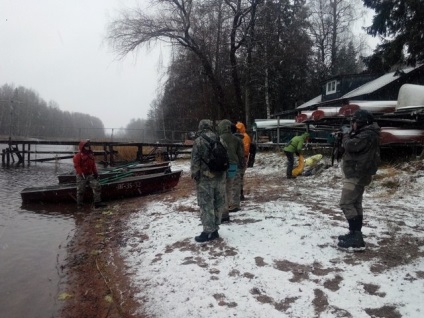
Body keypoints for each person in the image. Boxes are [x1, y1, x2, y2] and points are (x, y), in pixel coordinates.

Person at [337, 109, 380, 251]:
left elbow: (351, 145)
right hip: (359, 173)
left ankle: (356, 238)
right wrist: (348, 134)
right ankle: (355, 233)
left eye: (354, 122)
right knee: (355, 203)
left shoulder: (367, 135)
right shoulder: (367, 133)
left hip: (356, 174)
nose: (352, 125)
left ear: (361, 122)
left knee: (346, 202)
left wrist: (344, 135)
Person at [191, 119, 226, 242]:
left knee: (206, 204)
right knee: (218, 202)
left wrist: (195, 173)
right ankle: (215, 229)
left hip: (205, 177)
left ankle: (207, 231)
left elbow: (195, 159)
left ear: (201, 127)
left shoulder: (199, 141)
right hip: (220, 176)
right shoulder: (219, 138)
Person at [218, 120, 244, 219]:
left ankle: (224, 208)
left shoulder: (219, 138)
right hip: (234, 165)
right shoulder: (236, 139)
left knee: (223, 187)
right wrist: (241, 164)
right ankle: (235, 204)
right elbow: (240, 154)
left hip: (223, 165)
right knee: (234, 185)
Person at [73, 139, 107, 208]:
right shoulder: (78, 155)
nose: (87, 147)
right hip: (81, 176)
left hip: (89, 175)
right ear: (82, 147)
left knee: (97, 186)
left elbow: (93, 165)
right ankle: (79, 204)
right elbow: (77, 165)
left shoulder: (91, 155)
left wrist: (96, 173)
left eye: (88, 146)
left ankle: (97, 202)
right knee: (80, 190)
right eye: (86, 146)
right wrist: (81, 173)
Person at [235, 121, 251, 201]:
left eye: (238, 128)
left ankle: (240, 193)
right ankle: (239, 193)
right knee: (238, 176)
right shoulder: (239, 136)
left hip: (242, 158)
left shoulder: (244, 137)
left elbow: (245, 149)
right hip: (240, 158)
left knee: (239, 176)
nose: (237, 130)